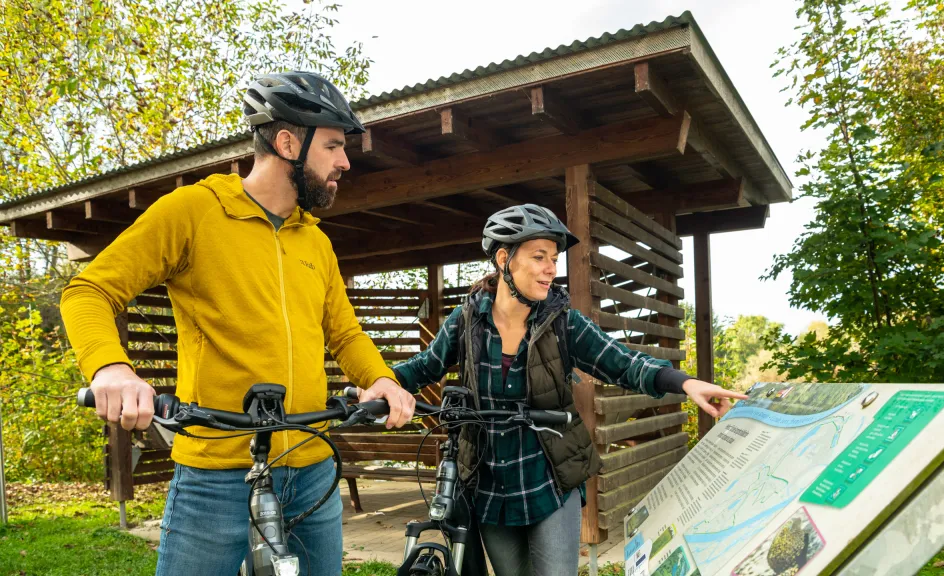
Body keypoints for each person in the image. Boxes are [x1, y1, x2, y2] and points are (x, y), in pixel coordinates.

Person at [60, 71, 417, 576]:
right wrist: (111, 370)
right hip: (216, 474)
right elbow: (89, 291)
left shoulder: (315, 240)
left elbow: (345, 332)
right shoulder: (194, 211)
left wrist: (378, 377)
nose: (345, 161)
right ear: (289, 142)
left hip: (313, 464)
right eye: (334, 146)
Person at [393, 204, 747, 576]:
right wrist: (380, 384)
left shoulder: (563, 322)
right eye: (540, 257)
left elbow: (624, 363)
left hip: (550, 481)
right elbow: (422, 368)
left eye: (555, 258)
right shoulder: (466, 321)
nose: (552, 269)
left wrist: (686, 383)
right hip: (489, 486)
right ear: (503, 259)